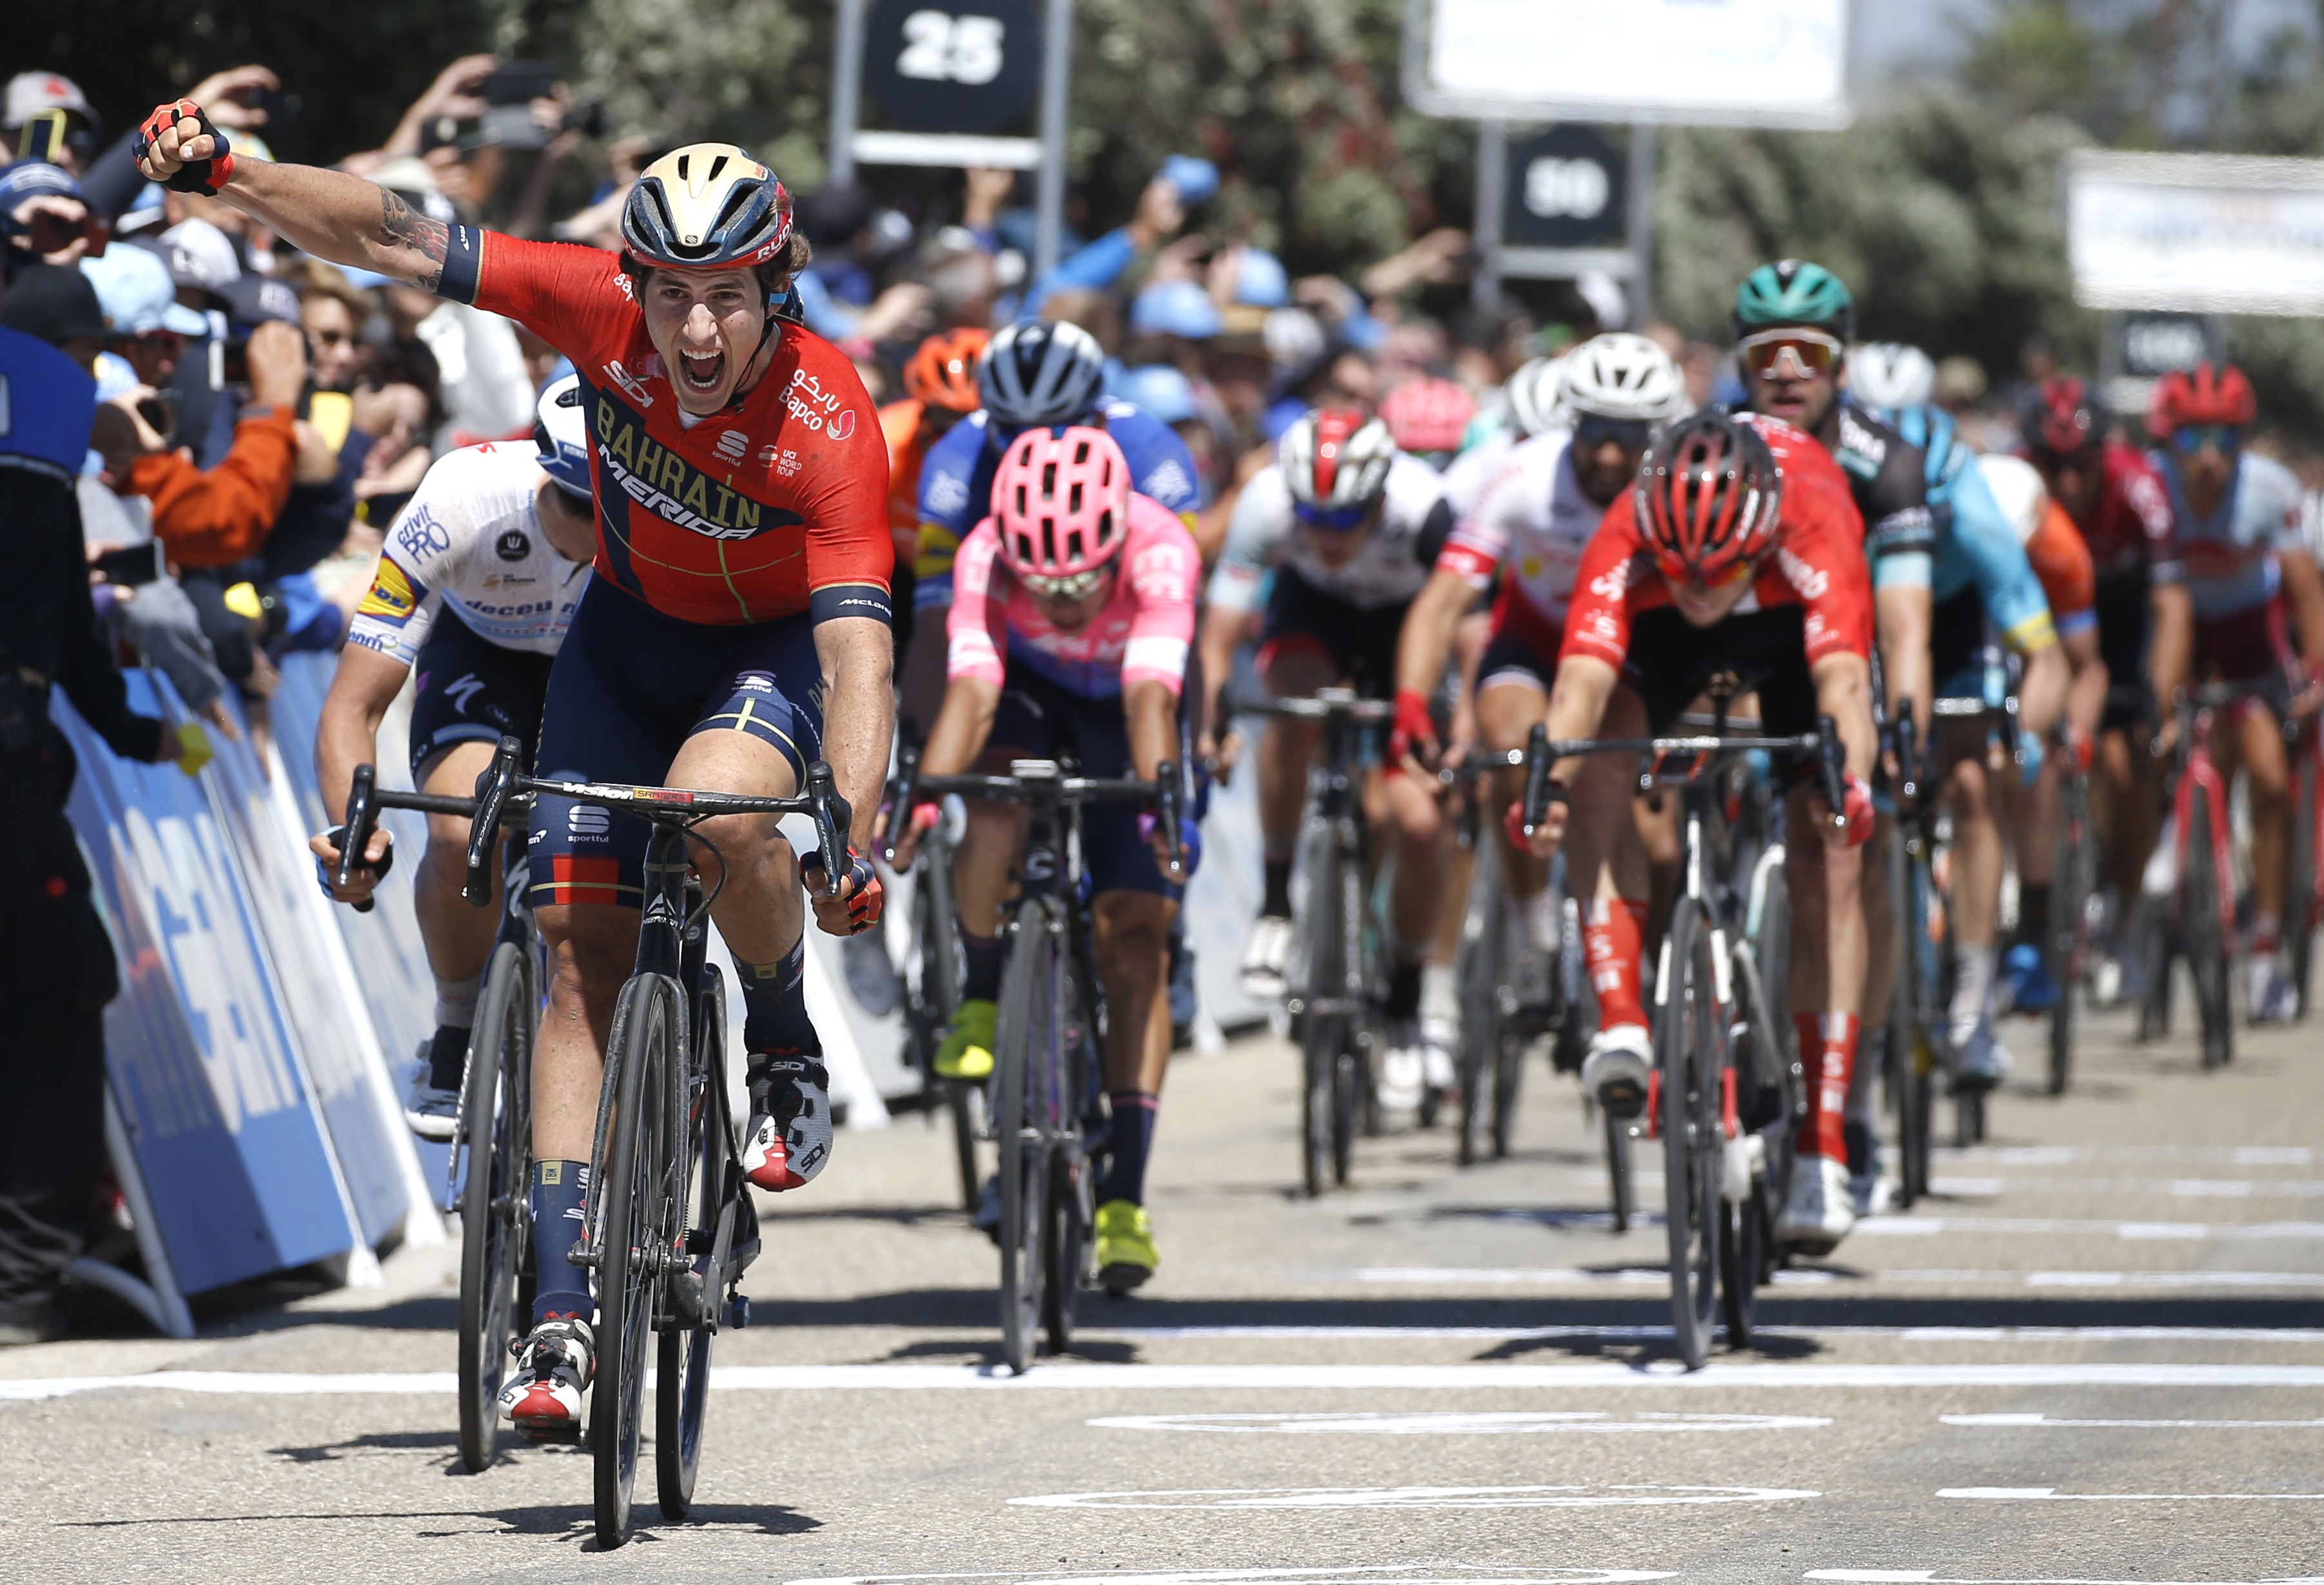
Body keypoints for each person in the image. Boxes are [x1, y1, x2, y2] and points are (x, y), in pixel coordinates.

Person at [136, 106, 894, 1434]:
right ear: (635, 285)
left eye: (727, 299)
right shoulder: (590, 309)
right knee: (569, 946)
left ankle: (779, 1030)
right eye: (671, 298)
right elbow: (387, 232)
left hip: (760, 653)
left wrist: (851, 830)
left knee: (722, 816)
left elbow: (858, 662)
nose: (697, 332)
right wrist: (234, 176)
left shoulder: (829, 419)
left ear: (773, 290)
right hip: (620, 637)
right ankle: (557, 1311)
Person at [1520, 409, 1879, 1255]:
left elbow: (1843, 682)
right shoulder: (1630, 534)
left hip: (1791, 639)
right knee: (1599, 756)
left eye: (1718, 570)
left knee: (1830, 850)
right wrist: (1548, 789)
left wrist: (1847, 785)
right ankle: (1620, 1017)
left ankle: (1820, 1143)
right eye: (1683, 570)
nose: (1700, 587)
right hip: (1660, 649)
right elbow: (1576, 681)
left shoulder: (1815, 513)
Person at [886, 427, 1198, 1292]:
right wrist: (921, 791)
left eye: (1079, 583)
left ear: (1114, 547)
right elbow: (974, 686)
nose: (1060, 601)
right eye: (1042, 583)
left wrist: (1161, 807)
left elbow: (1149, 695)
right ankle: (986, 998)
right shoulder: (988, 549)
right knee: (985, 806)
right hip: (1026, 693)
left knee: (1137, 940)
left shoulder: (1161, 545)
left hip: (1128, 705)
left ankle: (1124, 1198)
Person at [1391, 333, 1688, 1114]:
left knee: (1658, 837)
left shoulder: (1677, 490)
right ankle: (1532, 933)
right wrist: (1412, 701)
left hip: (1632, 655)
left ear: (1657, 435)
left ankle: (1656, 976)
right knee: (1514, 752)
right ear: (1569, 424)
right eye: (1595, 431)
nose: (1611, 454)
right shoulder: (1520, 477)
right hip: (1532, 644)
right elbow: (1443, 602)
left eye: (1631, 437)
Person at [308, 378, 598, 1136]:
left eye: (609, 509)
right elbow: (352, 704)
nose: (589, 529)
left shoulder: (678, 514)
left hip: (604, 669)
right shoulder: (457, 502)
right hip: (485, 656)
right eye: (572, 503)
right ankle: (458, 1024)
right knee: (460, 827)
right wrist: (352, 832)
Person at [0, 255, 193, 1345]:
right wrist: (136, 730)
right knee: (55, 991)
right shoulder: (40, 453)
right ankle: (25, 1278)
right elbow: (70, 639)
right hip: (10, 773)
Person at [1195, 407, 1455, 1112]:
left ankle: (1403, 1002)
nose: (1327, 534)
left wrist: (1452, 726)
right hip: (1313, 615)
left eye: (1345, 518)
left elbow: (1464, 627)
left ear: (1378, 497)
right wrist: (1210, 717)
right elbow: (1217, 637)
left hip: (1410, 622)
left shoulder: (1426, 510)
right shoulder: (1264, 504)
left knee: (1419, 822)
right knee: (1289, 713)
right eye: (1313, 517)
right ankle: (1276, 901)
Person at [1863, 389, 2071, 1092]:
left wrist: (2022, 738)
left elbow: (2046, 659)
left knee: (1974, 786)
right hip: (1870, 622)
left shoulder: (1977, 515)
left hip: (1957, 634)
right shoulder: (1856, 495)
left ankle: (1973, 1002)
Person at [903, 318, 1198, 728]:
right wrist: (915, 769)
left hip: (1130, 652)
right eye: (1012, 430)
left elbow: (1180, 605)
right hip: (1023, 662)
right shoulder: (953, 466)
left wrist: (1200, 731)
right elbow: (935, 623)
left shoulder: (1153, 453)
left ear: (1097, 417)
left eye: (1057, 426)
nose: (1035, 446)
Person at [2143, 364, 2324, 1023]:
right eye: (2192, 440)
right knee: (2151, 745)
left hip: (2251, 638)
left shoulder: (2266, 490)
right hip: (2176, 634)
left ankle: (2265, 948)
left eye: (2225, 439)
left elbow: (2306, 592)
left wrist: (2312, 672)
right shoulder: (2150, 488)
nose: (2209, 457)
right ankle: (2155, 860)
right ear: (2169, 442)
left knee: (2272, 781)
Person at [2018, 377, 2174, 1002]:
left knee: (2124, 766)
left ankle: (2128, 909)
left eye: (2080, 467)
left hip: (2122, 620)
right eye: (2052, 467)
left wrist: (2156, 698)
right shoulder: (2019, 492)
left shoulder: (2138, 485)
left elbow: (2171, 604)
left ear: (2101, 458)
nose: (2068, 483)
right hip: (2046, 619)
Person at [1978, 450, 2107, 1015]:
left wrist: (2073, 732)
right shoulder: (1955, 528)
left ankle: (2033, 919)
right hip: (1975, 644)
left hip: (2039, 655)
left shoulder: (2061, 550)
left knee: (2037, 766)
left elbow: (2085, 667)